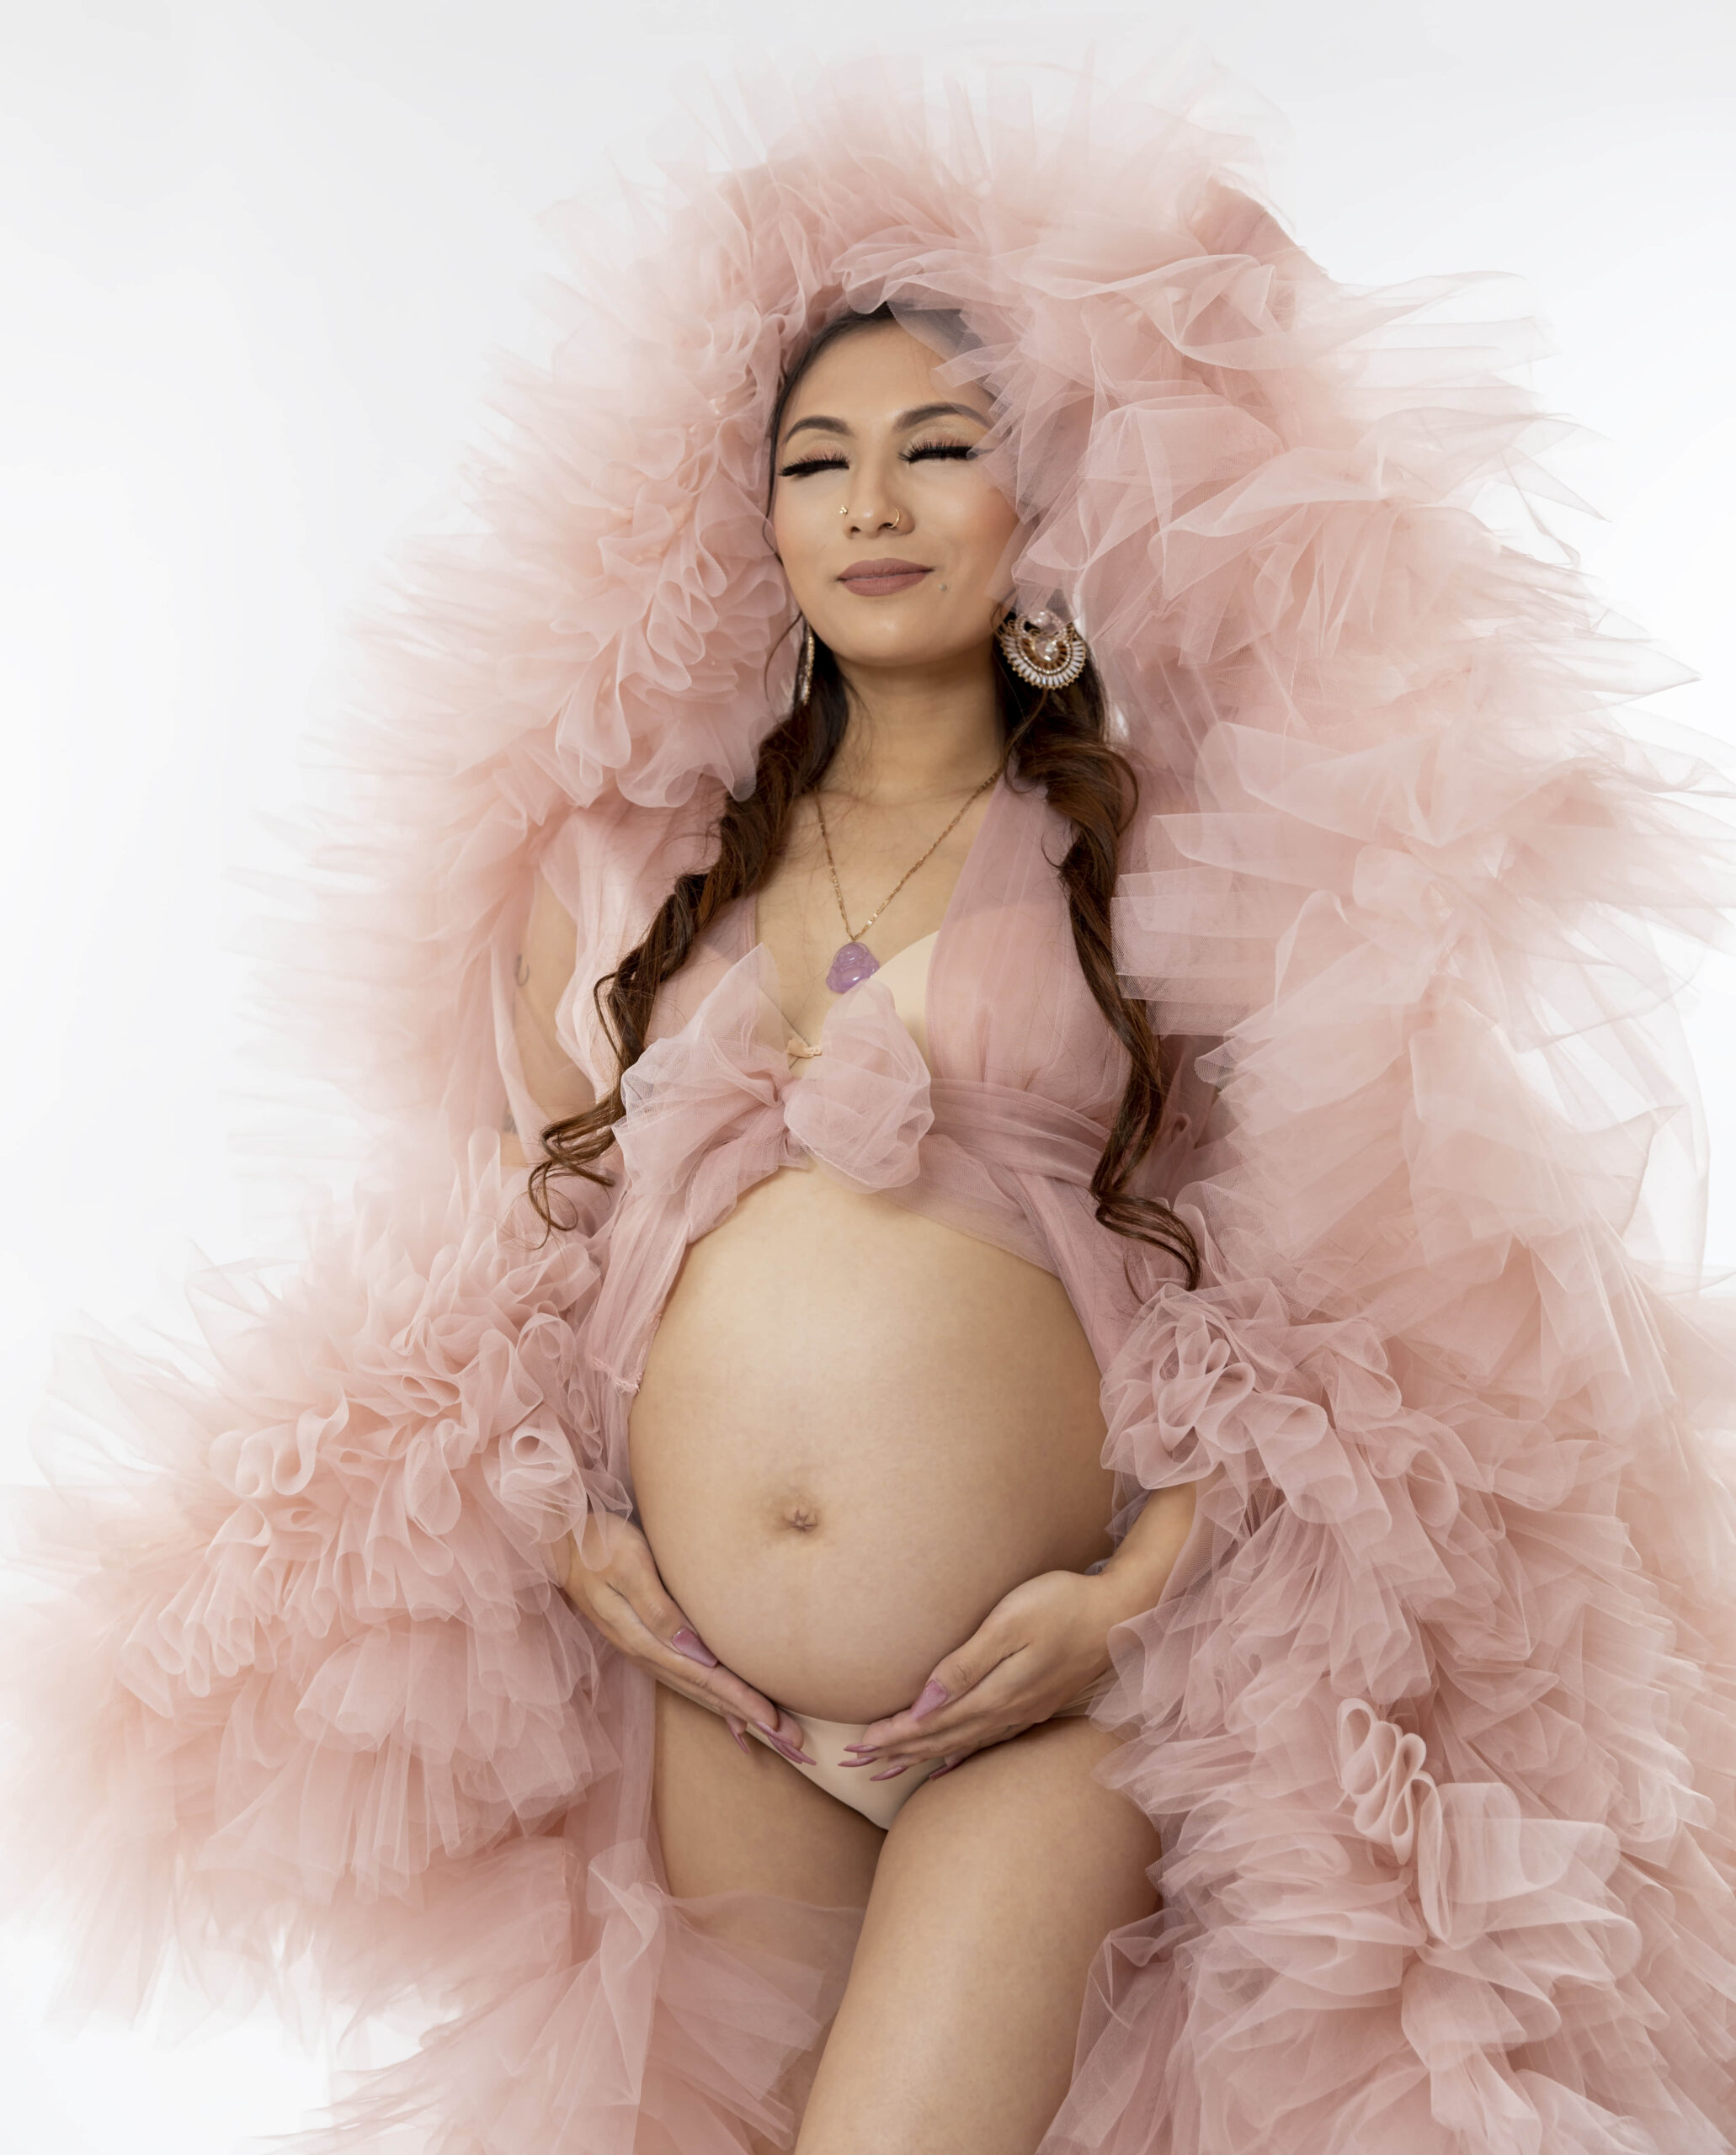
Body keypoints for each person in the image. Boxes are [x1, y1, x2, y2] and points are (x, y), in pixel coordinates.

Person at [7, 53, 1736, 2155]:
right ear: (757, 522)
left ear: (1038, 504)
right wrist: (572, 1530)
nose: (873, 505)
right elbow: (522, 1255)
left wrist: (1120, 1597)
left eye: (938, 449)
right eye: (819, 462)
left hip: (1052, 1697)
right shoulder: (640, 868)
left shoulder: (1167, 856)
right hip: (715, 1704)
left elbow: (1346, 1297)